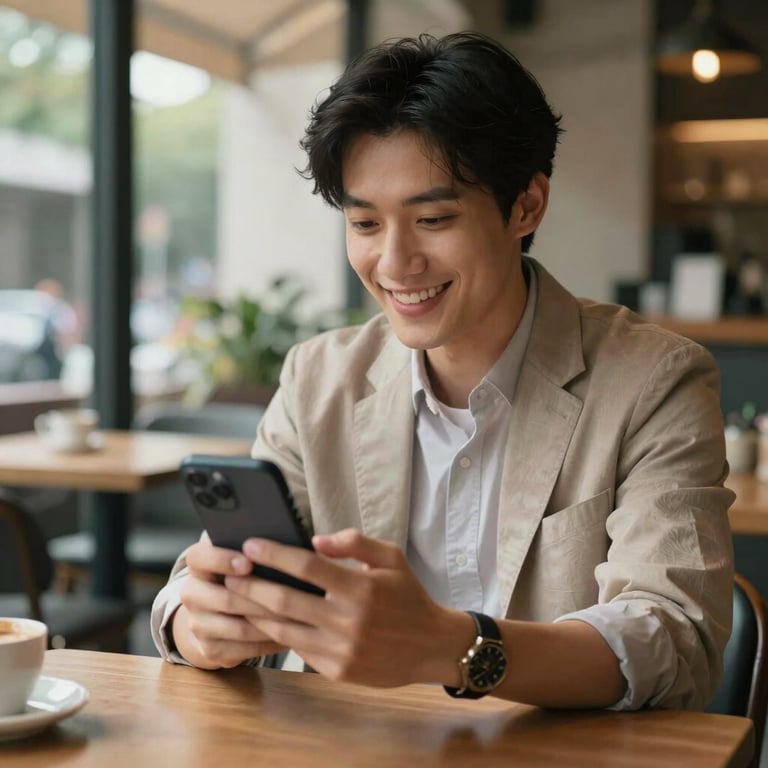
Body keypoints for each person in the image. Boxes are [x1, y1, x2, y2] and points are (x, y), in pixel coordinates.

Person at [151, 31, 733, 711]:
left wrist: (447, 646)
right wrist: (199, 625)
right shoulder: (318, 379)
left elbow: (675, 639)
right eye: (365, 225)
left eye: (432, 218)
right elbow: (194, 588)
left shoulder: (655, 382)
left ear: (526, 206)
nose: (395, 264)